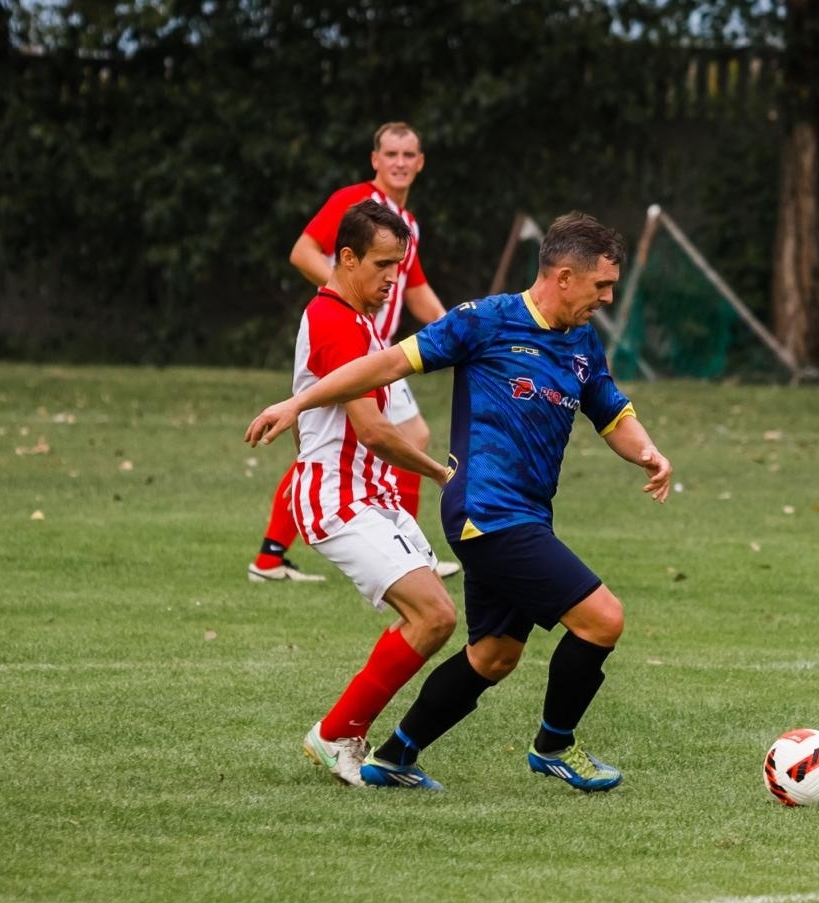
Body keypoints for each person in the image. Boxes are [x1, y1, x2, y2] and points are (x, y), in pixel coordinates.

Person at [247, 212, 673, 793]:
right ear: (564, 276)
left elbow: (611, 411)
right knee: (604, 619)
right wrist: (297, 403)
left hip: (528, 513)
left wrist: (649, 453)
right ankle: (554, 746)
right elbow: (388, 363)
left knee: (494, 656)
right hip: (486, 511)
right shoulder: (486, 321)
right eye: (601, 285)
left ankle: (395, 754)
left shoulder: (582, 343)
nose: (608, 297)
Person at [285, 198, 461, 790]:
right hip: (338, 499)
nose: (394, 278)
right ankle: (338, 733)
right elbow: (373, 431)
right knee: (434, 614)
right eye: (384, 265)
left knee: (434, 620)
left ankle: (345, 732)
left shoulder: (358, 318)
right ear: (347, 257)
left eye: (401, 266)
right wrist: (440, 473)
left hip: (371, 495)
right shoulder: (335, 320)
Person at [251, 121, 460, 582]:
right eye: (391, 154)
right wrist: (341, 298)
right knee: (354, 443)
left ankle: (401, 547)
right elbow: (303, 250)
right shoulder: (357, 205)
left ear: (421, 163)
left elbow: (417, 289)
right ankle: (280, 553)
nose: (400, 163)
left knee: (393, 437)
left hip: (381, 351)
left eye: (409, 155)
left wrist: (458, 334)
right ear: (375, 160)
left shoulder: (404, 226)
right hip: (356, 343)